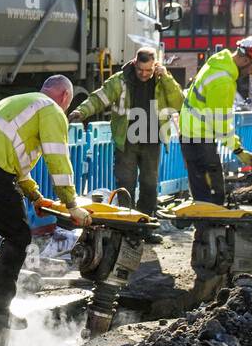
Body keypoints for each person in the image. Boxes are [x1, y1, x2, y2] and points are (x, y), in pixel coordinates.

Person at [0, 76, 93, 331]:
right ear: (65, 97)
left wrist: (35, 196)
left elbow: (15, 162)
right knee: (18, 236)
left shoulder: (17, 102)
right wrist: (71, 204)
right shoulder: (52, 110)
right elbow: (57, 158)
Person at [69, 47, 183, 233]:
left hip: (152, 141)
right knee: (125, 185)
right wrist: (81, 111)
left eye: (148, 70)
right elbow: (99, 98)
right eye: (140, 70)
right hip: (127, 142)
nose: (144, 74)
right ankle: (125, 228)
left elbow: (178, 102)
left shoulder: (163, 80)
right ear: (135, 63)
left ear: (155, 66)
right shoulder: (120, 80)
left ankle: (146, 228)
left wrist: (167, 78)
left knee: (149, 186)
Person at [178, 36, 252, 204]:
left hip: (192, 135)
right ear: (245, 59)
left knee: (203, 193)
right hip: (199, 138)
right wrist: (239, 151)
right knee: (212, 197)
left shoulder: (218, 63)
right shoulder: (223, 81)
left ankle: (206, 227)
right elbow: (221, 123)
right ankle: (208, 228)